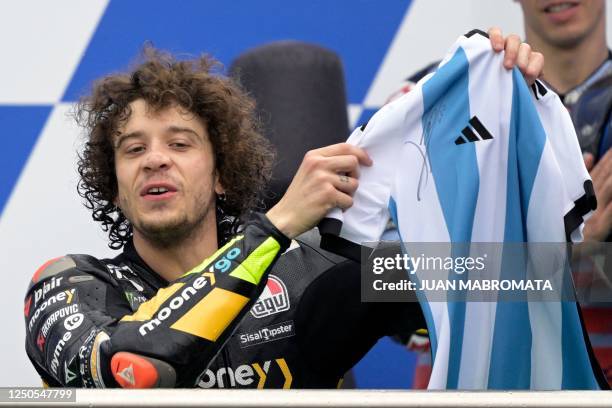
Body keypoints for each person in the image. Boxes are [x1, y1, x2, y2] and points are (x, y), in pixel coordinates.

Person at [24, 29, 544, 388]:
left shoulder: (309, 279)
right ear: (114, 187)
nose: (155, 159)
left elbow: (523, 277)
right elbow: (132, 365)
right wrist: (274, 228)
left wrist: (505, 118)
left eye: (180, 144)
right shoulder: (69, 285)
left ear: (223, 174)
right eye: (134, 149)